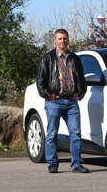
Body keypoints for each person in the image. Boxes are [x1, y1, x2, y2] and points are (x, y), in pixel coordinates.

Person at [36, 28, 89, 173]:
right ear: (55, 40)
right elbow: (40, 82)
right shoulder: (47, 58)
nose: (63, 41)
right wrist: (49, 95)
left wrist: (81, 93)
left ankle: (77, 164)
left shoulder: (74, 58)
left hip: (72, 102)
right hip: (54, 101)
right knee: (52, 133)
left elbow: (82, 80)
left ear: (68, 39)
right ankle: (52, 163)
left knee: (76, 133)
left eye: (65, 38)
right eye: (60, 38)